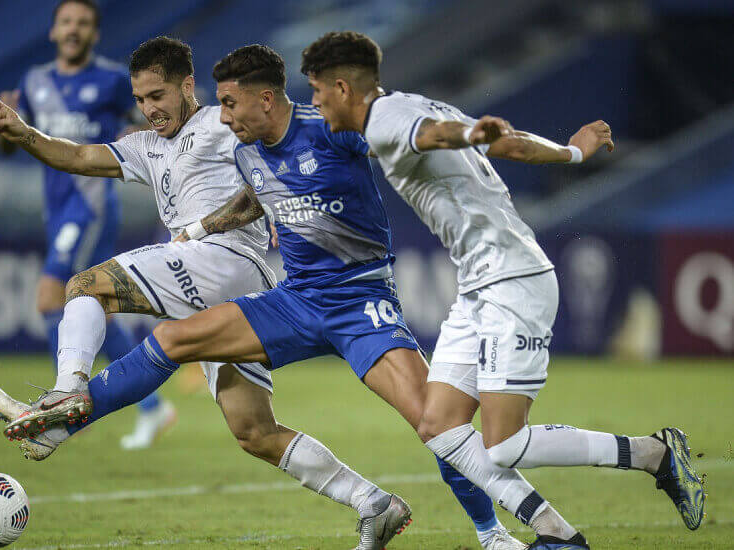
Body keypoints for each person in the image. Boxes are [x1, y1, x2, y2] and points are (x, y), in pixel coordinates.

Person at [0, 42, 527, 550]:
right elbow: (80, 156)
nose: (149, 108)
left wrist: (219, 221)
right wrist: (25, 134)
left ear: (187, 86)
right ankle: (374, 502)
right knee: (253, 431)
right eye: (140, 100)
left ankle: (65, 396)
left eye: (158, 95)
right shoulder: (146, 147)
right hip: (227, 278)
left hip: (225, 262)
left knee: (86, 286)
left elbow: (284, 145)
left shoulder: (222, 122)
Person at [298, 30, 707, 549]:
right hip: (479, 285)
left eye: (316, 90)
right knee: (439, 426)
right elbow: (503, 140)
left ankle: (653, 454)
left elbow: (437, 135)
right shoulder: (413, 105)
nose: (314, 101)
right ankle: (557, 535)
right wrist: (571, 154)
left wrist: (465, 136)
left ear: (341, 86)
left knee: (504, 444)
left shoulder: (386, 121)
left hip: (513, 281)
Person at [0, 0, 172, 449]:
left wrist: (137, 137)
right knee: (90, 303)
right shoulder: (34, 83)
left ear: (94, 34)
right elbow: (15, 147)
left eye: (84, 24)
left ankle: (71, 397)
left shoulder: (114, 80)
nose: (74, 30)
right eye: (67, 22)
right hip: (55, 208)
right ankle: (149, 406)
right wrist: (5, 133)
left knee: (49, 296)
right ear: (54, 30)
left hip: (90, 206)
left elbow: (145, 125)